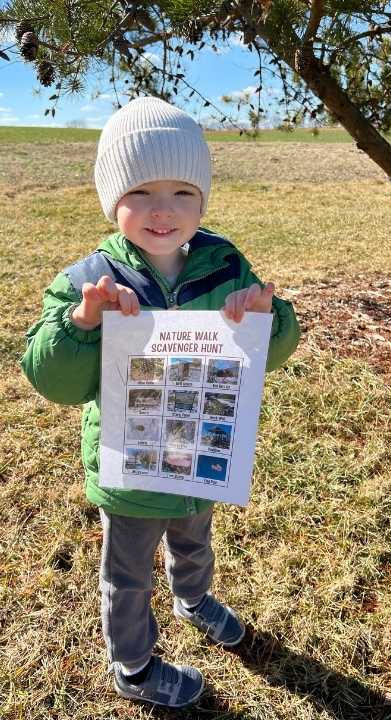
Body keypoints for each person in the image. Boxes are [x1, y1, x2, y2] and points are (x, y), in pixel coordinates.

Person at [21, 97, 300, 708]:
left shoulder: (225, 262)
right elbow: (53, 381)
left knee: (195, 538)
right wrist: (83, 322)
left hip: (200, 454)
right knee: (127, 575)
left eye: (182, 192)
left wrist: (266, 316)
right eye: (141, 191)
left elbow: (271, 352)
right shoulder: (88, 279)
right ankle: (133, 665)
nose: (163, 211)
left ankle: (193, 597)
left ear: (203, 199)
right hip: (132, 471)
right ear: (111, 197)